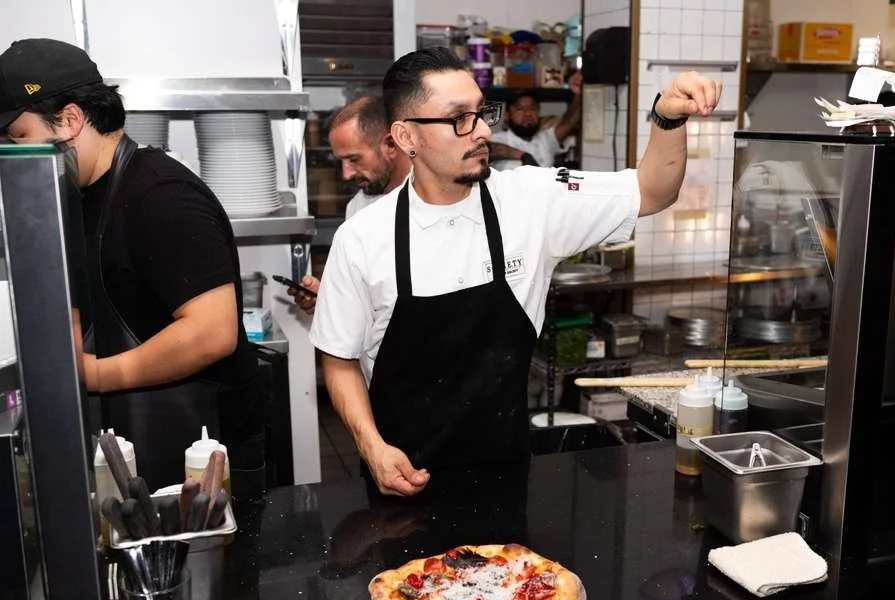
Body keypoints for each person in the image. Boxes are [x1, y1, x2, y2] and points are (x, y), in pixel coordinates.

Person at [310, 46, 720, 498]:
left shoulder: (531, 200)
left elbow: (652, 191)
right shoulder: (362, 237)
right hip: (399, 483)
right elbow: (339, 359)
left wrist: (667, 118)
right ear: (406, 136)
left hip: (505, 478)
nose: (483, 129)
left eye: (481, 112)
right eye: (459, 118)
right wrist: (371, 448)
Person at [0, 38, 267, 493]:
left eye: (19, 137)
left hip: (202, 460)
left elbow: (212, 331)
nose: (13, 153)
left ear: (68, 120)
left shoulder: (160, 194)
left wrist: (94, 376)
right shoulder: (79, 193)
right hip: (144, 449)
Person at [287, 95, 412, 313]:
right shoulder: (357, 207)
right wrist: (327, 298)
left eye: (354, 159)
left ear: (391, 144)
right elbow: (363, 293)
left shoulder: (433, 196)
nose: (346, 174)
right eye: (341, 161)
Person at [488, 70, 583, 170]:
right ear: (507, 115)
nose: (528, 113)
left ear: (539, 111)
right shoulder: (498, 139)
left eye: (532, 108)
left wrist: (578, 94)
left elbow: (568, 122)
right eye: (520, 108)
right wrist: (523, 156)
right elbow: (489, 149)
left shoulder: (546, 139)